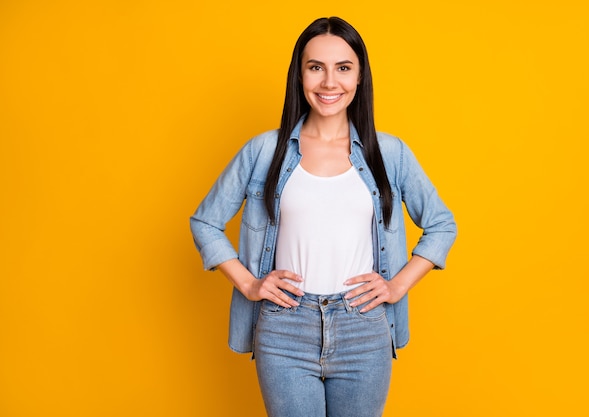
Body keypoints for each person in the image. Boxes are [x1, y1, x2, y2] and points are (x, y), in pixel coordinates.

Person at [190, 16, 457, 417]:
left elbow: (441, 224)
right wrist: (249, 284)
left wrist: (396, 286)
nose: (329, 82)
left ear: (360, 77)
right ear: (299, 76)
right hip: (284, 328)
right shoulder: (264, 151)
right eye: (316, 67)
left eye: (343, 68)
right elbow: (205, 221)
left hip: (363, 328)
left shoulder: (390, 153)